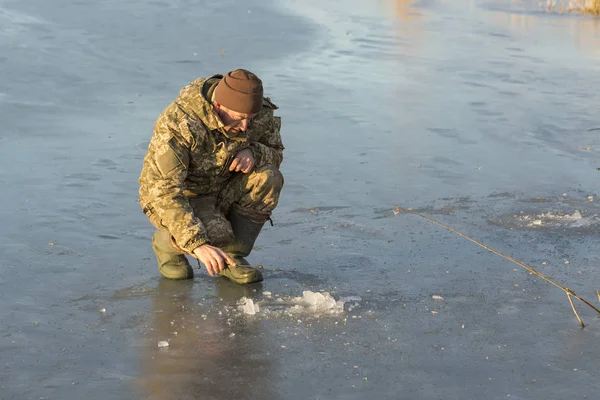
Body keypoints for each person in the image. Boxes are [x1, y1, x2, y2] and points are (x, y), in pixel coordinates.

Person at [138, 69, 284, 284]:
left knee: (268, 178)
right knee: (216, 235)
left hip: (223, 185)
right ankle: (166, 243)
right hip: (181, 196)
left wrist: (253, 152)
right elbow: (165, 191)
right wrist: (198, 244)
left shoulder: (259, 113)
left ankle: (233, 257)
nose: (245, 127)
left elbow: (276, 151)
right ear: (218, 107)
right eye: (239, 118)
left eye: (250, 119)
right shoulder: (179, 123)